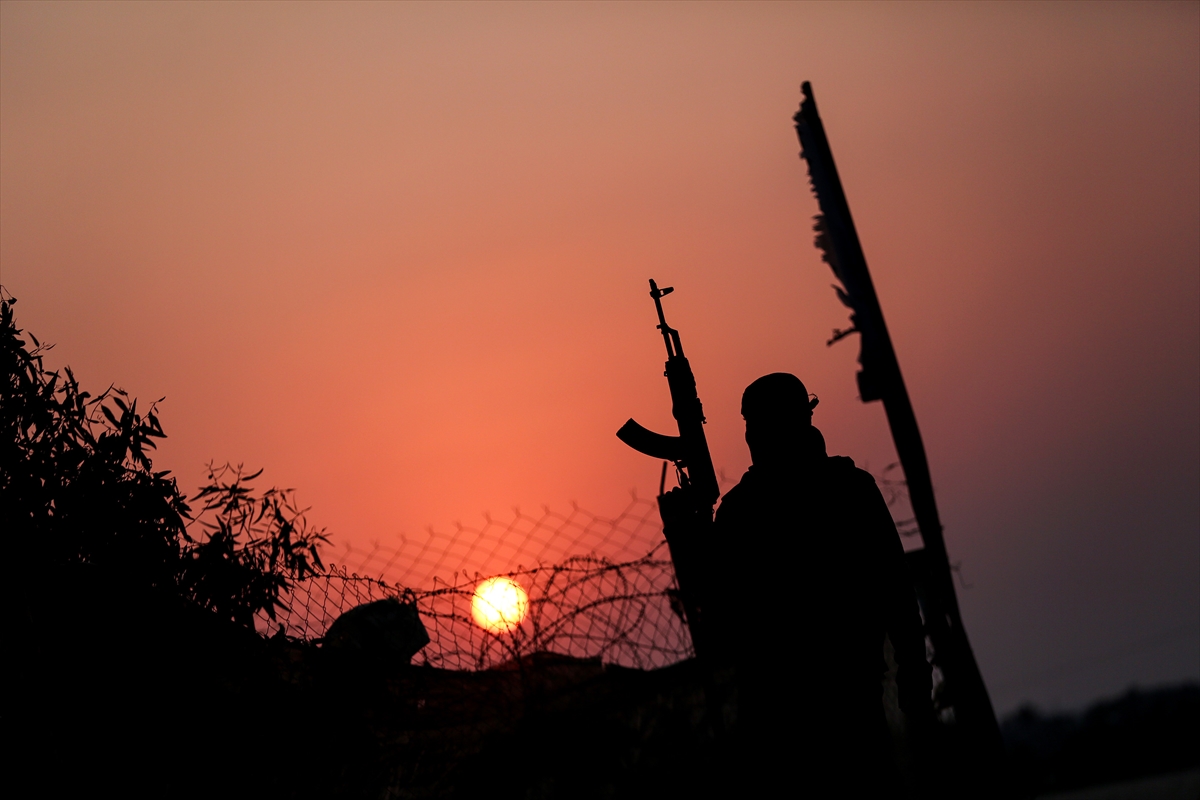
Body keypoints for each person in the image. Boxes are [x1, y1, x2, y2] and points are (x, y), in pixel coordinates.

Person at [711, 372, 933, 793]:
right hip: (788, 702)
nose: (752, 435)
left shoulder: (840, 492)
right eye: (749, 424)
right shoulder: (746, 510)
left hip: (835, 692)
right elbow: (723, 613)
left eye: (758, 423)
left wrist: (914, 671)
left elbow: (895, 589)